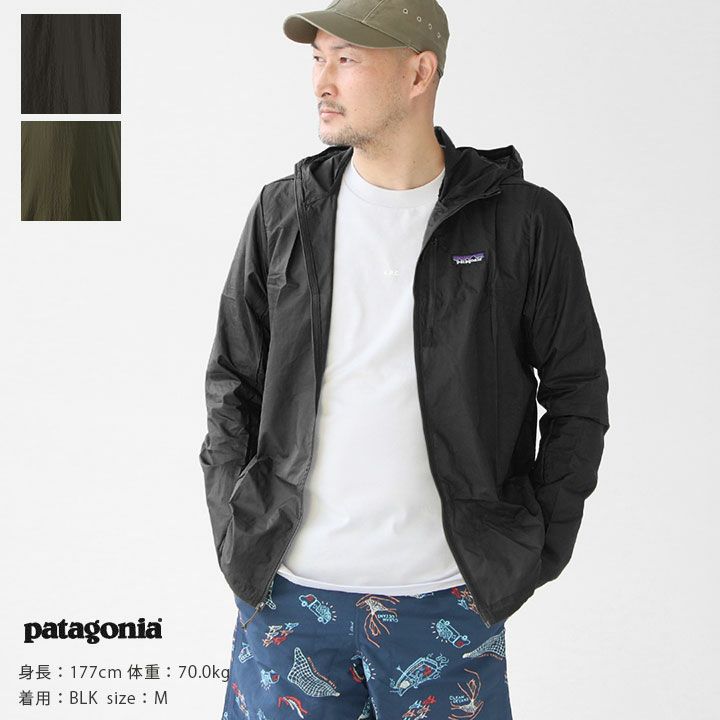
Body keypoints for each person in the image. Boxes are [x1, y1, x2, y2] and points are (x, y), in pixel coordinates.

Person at [199, 1, 610, 718]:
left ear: (419, 73)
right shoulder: (282, 212)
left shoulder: (523, 221)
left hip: (446, 598)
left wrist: (535, 543)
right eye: (318, 59)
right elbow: (232, 382)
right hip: (289, 595)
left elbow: (576, 391)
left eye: (347, 60)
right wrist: (239, 529)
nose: (322, 82)